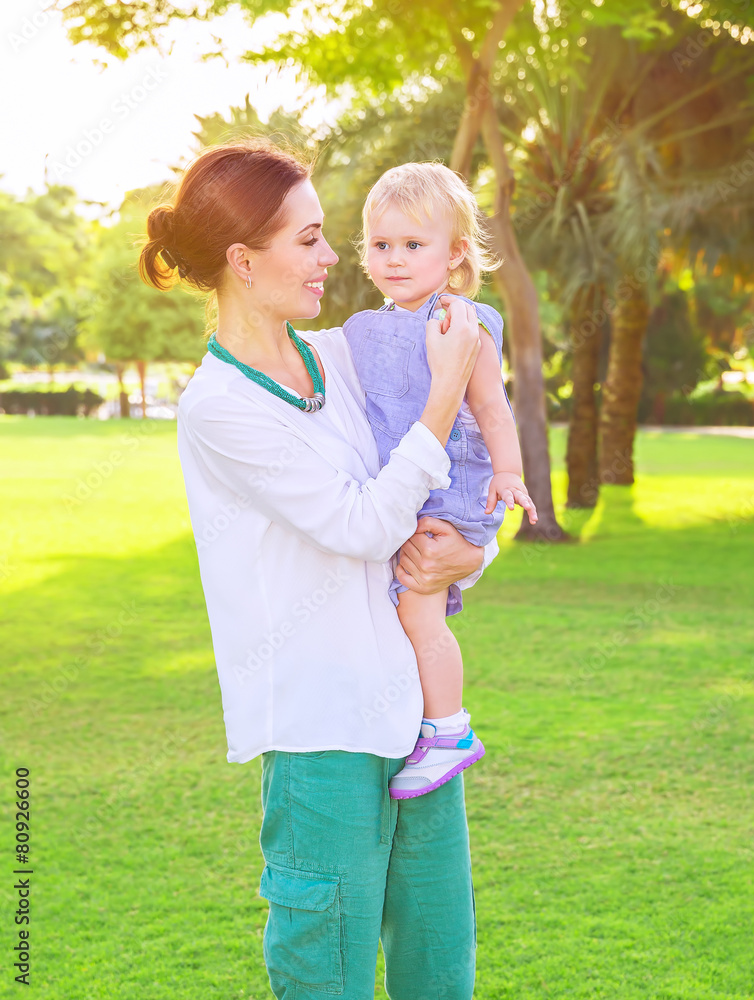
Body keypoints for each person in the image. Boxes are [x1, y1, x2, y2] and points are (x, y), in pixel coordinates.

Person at [138, 138, 497, 1000]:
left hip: (417, 728)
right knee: (325, 977)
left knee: (438, 967)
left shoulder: (342, 355)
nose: (335, 257)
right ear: (242, 259)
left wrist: (472, 555)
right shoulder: (217, 409)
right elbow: (363, 526)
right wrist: (444, 387)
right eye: (308, 238)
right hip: (321, 735)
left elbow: (437, 493)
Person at [343, 162, 537, 799]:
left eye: (413, 244)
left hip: (451, 494)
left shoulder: (462, 322)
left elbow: (489, 408)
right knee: (400, 608)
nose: (394, 259)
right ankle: (416, 718)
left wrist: (508, 471)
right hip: (404, 489)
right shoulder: (365, 329)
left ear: (455, 253)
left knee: (420, 609)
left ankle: (449, 730)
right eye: (381, 245)